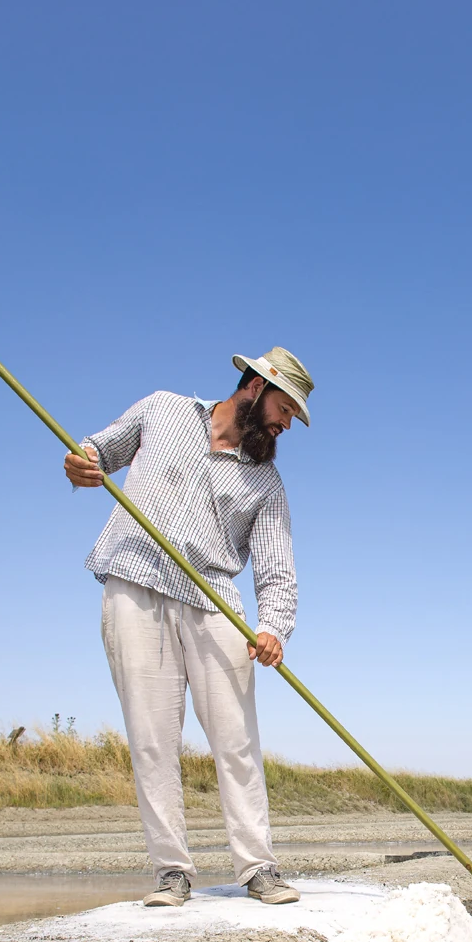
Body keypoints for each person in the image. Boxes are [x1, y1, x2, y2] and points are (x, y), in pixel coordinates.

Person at [64, 349, 313, 907]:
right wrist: (79, 466)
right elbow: (97, 453)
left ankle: (258, 869)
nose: (285, 424)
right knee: (152, 738)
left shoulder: (266, 482)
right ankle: (172, 872)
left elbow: (277, 569)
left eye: (293, 417)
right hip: (133, 580)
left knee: (237, 739)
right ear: (254, 385)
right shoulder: (163, 409)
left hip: (213, 600)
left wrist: (273, 627)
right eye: (285, 408)